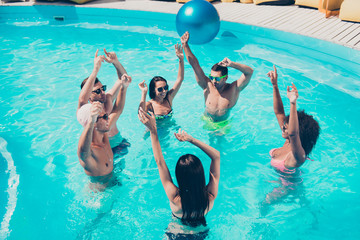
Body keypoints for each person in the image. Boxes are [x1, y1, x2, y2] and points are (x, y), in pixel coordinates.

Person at [138, 107, 220, 236]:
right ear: (200, 175)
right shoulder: (210, 197)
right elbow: (216, 156)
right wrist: (191, 140)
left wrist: (153, 130)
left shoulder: (175, 198)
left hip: (176, 234)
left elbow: (159, 162)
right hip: (201, 234)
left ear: (179, 178)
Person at [263, 65, 320, 208]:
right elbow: (278, 112)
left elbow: (293, 133)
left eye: (286, 126)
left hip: (286, 189)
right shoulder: (287, 142)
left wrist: (293, 103)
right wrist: (275, 86)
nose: (283, 126)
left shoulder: (297, 156)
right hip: (276, 181)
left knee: (263, 205)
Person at [181, 31, 254, 123]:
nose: (213, 81)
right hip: (206, 120)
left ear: (226, 78)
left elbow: (249, 72)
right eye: (211, 77)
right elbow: (195, 64)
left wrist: (232, 64)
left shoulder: (234, 88)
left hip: (222, 125)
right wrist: (185, 45)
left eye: (217, 78)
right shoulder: (207, 85)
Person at [77, 72, 132, 187]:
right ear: (93, 124)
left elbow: (118, 110)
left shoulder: (104, 134)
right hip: (100, 196)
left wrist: (124, 88)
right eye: (104, 117)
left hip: (114, 181)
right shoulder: (90, 153)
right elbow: (83, 151)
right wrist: (91, 121)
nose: (108, 119)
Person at [77, 49, 130, 155]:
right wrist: (95, 70)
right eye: (97, 91)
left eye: (103, 88)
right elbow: (82, 100)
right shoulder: (88, 111)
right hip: (103, 148)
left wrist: (116, 62)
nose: (102, 92)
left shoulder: (107, 98)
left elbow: (124, 80)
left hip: (119, 142)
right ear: (89, 96)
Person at [138, 44, 184, 121]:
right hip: (155, 131)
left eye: (165, 88)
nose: (164, 91)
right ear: (153, 90)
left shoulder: (169, 98)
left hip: (171, 129)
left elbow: (180, 79)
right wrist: (144, 93)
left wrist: (181, 60)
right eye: (160, 89)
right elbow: (140, 113)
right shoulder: (149, 105)